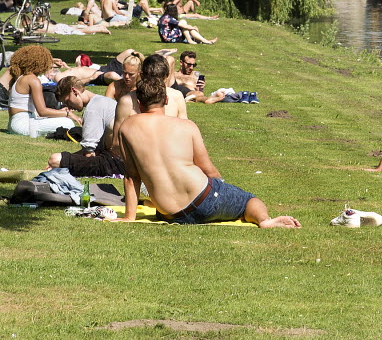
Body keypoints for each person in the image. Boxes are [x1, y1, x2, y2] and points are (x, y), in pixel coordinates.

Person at [112, 61, 297, 227]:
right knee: (249, 201)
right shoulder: (186, 126)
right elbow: (207, 168)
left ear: (138, 102)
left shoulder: (127, 127)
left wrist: (130, 216)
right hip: (204, 200)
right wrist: (223, 187)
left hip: (169, 213)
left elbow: (131, 176)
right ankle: (265, 221)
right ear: (166, 100)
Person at [48, 78, 123, 175]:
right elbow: (95, 149)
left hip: (116, 163)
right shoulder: (104, 101)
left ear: (74, 91)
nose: (69, 107)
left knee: (55, 159)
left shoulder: (92, 109)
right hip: (124, 159)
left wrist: (61, 163)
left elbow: (89, 153)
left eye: (67, 101)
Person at [5, 45, 78, 138]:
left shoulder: (22, 77)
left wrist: (59, 112)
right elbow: (42, 111)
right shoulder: (33, 80)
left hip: (16, 123)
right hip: (23, 125)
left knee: (62, 119)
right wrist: (67, 114)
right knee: (68, 123)